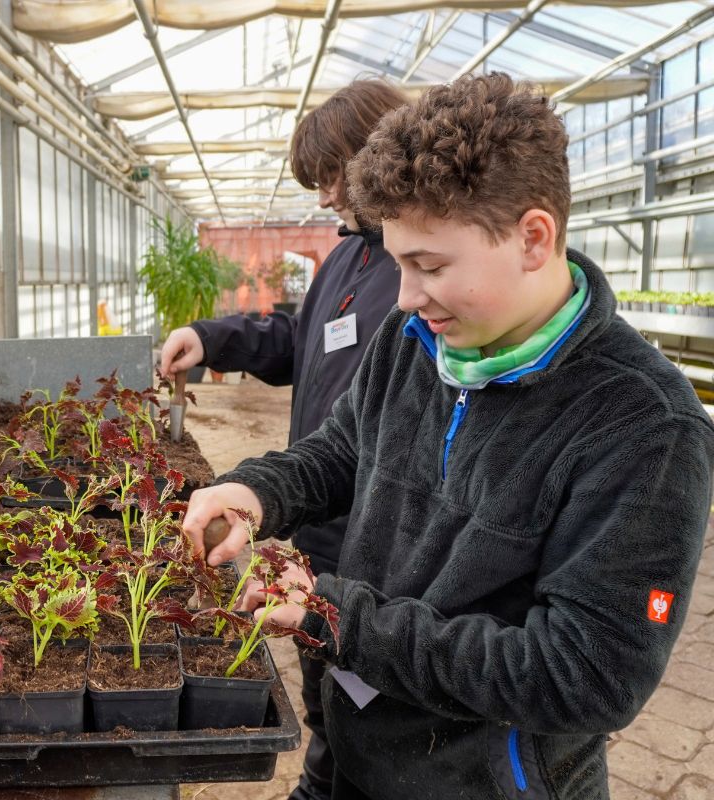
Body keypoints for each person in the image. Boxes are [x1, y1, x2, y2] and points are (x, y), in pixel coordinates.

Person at [182, 73, 714, 799]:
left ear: (533, 238)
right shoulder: (417, 340)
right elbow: (343, 450)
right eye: (399, 262)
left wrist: (334, 615)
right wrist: (256, 491)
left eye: (429, 266)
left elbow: (585, 676)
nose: (404, 296)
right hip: (354, 743)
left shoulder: (643, 424)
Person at [159, 78, 408, 800]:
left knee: (374, 706)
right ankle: (324, 779)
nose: (326, 197)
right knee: (329, 697)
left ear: (374, 153)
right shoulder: (350, 260)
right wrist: (207, 338)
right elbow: (298, 340)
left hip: (383, 545)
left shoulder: (420, 275)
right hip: (322, 529)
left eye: (332, 177)